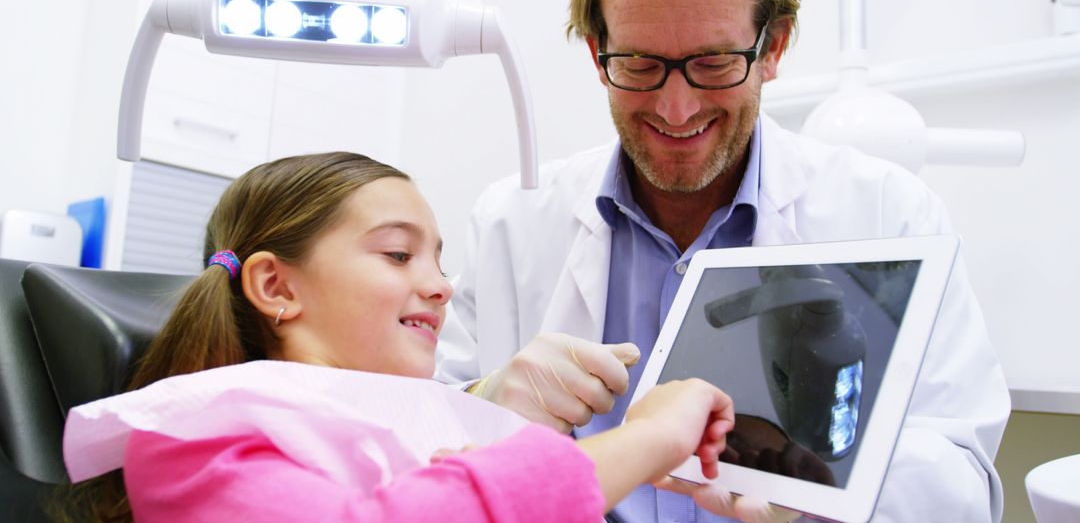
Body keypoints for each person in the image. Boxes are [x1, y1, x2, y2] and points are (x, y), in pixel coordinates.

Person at [435, 0, 1011, 521]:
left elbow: (963, 484)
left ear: (773, 47)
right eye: (638, 63)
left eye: (713, 62)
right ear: (596, 51)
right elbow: (416, 450)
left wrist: (821, 486)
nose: (676, 108)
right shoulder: (510, 222)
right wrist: (483, 400)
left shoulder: (890, 210)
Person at [56, 152, 738, 522]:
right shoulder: (196, 442)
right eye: (397, 255)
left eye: (439, 260)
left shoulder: (416, 434)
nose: (442, 286)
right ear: (276, 287)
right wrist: (647, 438)